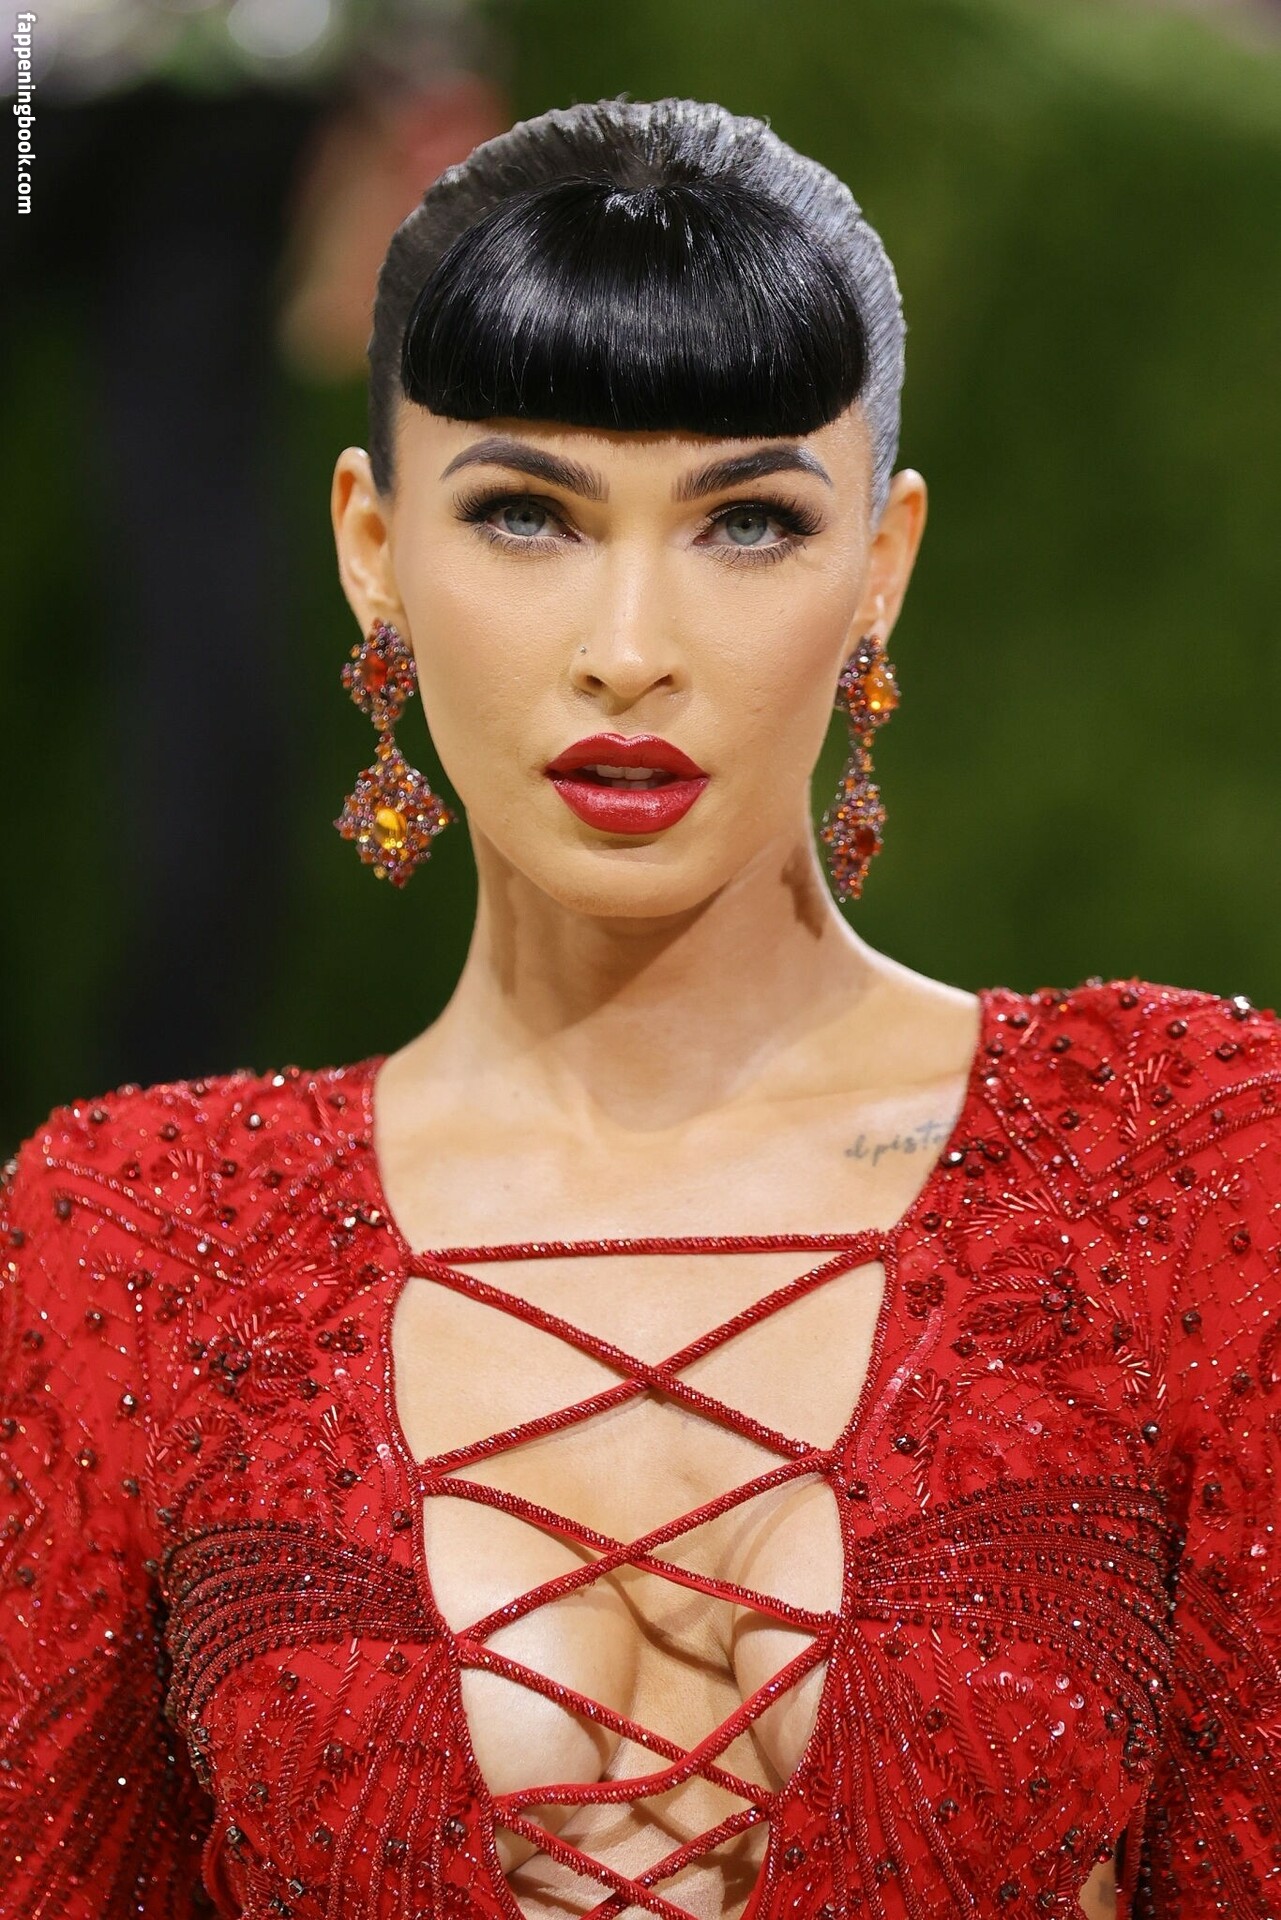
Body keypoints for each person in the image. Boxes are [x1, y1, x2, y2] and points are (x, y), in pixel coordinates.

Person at [0, 97, 1275, 1920]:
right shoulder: (136, 1236)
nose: (626, 647)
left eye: (745, 523)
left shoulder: (1186, 1162)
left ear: (881, 568)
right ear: (371, 547)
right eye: (524, 514)